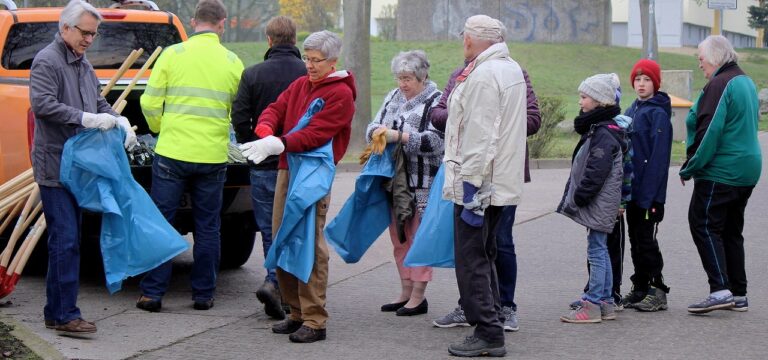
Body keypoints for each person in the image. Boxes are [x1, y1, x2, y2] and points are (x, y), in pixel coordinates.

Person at [239, 30, 356, 343]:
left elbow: (316, 134)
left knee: (310, 245)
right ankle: (296, 312)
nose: (310, 65)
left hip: (313, 175)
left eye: (317, 60)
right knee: (282, 238)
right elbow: (276, 109)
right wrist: (265, 132)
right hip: (287, 168)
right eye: (307, 58)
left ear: (333, 62)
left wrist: (279, 142)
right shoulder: (301, 84)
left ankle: (315, 319)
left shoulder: (340, 94)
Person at [29, 0, 137, 334]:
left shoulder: (82, 63)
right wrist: (87, 118)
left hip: (78, 166)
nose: (90, 40)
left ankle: (54, 311)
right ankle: (65, 316)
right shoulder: (47, 61)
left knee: (64, 240)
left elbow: (98, 100)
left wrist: (121, 122)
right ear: (65, 28)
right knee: (67, 241)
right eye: (85, 33)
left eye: (94, 34)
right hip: (55, 165)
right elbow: (44, 105)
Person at [136, 0, 244, 312]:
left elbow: (149, 103)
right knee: (208, 227)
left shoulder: (172, 55)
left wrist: (160, 129)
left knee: (163, 223)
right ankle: (203, 295)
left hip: (172, 152)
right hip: (211, 155)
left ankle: (153, 294)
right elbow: (237, 109)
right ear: (222, 24)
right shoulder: (232, 60)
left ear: (193, 22)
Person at [431, 64, 540, 332]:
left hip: (502, 173)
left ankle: (505, 307)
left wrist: (493, 121)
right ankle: (471, 306)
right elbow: (438, 113)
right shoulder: (460, 74)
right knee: (470, 246)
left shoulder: (515, 73)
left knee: (499, 241)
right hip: (466, 172)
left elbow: (533, 119)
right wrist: (468, 117)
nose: (466, 45)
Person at [442, 15, 527, 357]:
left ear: (472, 41)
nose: (463, 42)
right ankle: (490, 324)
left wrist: (470, 188)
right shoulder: (510, 69)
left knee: (471, 259)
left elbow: (479, 136)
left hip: (480, 184)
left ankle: (488, 333)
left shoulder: (485, 74)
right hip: (499, 182)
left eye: (465, 37)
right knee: (486, 255)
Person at [230, 15, 306, 320]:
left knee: (269, 228)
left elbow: (239, 117)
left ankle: (274, 280)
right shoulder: (307, 73)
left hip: (264, 166)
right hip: (300, 163)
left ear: (269, 40)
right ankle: (288, 290)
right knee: (299, 226)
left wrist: (255, 147)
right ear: (295, 39)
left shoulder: (252, 74)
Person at [681, 35, 762, 314]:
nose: (700, 63)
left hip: (722, 170)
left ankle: (720, 290)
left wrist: (690, 166)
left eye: (701, 58)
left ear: (715, 58)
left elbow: (710, 131)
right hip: (748, 169)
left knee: (703, 223)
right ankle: (738, 293)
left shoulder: (719, 83)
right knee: (730, 230)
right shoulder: (745, 81)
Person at [367, 50, 442, 317]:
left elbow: (435, 142)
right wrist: (376, 132)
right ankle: (405, 291)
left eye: (408, 78)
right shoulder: (392, 97)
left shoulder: (437, 101)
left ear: (422, 77)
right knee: (399, 239)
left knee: (418, 238)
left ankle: (419, 297)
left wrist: (398, 136)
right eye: (400, 77)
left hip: (422, 181)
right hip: (392, 181)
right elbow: (372, 125)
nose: (402, 84)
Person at [557, 73, 627, 324]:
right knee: (602, 250)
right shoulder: (603, 129)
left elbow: (597, 171)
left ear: (600, 101)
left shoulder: (603, 134)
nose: (580, 102)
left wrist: (581, 195)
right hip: (603, 204)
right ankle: (606, 302)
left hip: (598, 203)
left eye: (584, 97)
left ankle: (593, 303)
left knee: (596, 252)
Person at [619, 59, 673, 312]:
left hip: (648, 196)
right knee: (635, 240)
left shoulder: (658, 113)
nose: (641, 84)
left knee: (647, 241)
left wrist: (651, 196)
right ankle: (640, 287)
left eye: (647, 80)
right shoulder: (632, 110)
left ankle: (657, 289)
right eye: (638, 79)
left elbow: (659, 159)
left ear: (655, 83)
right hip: (632, 192)